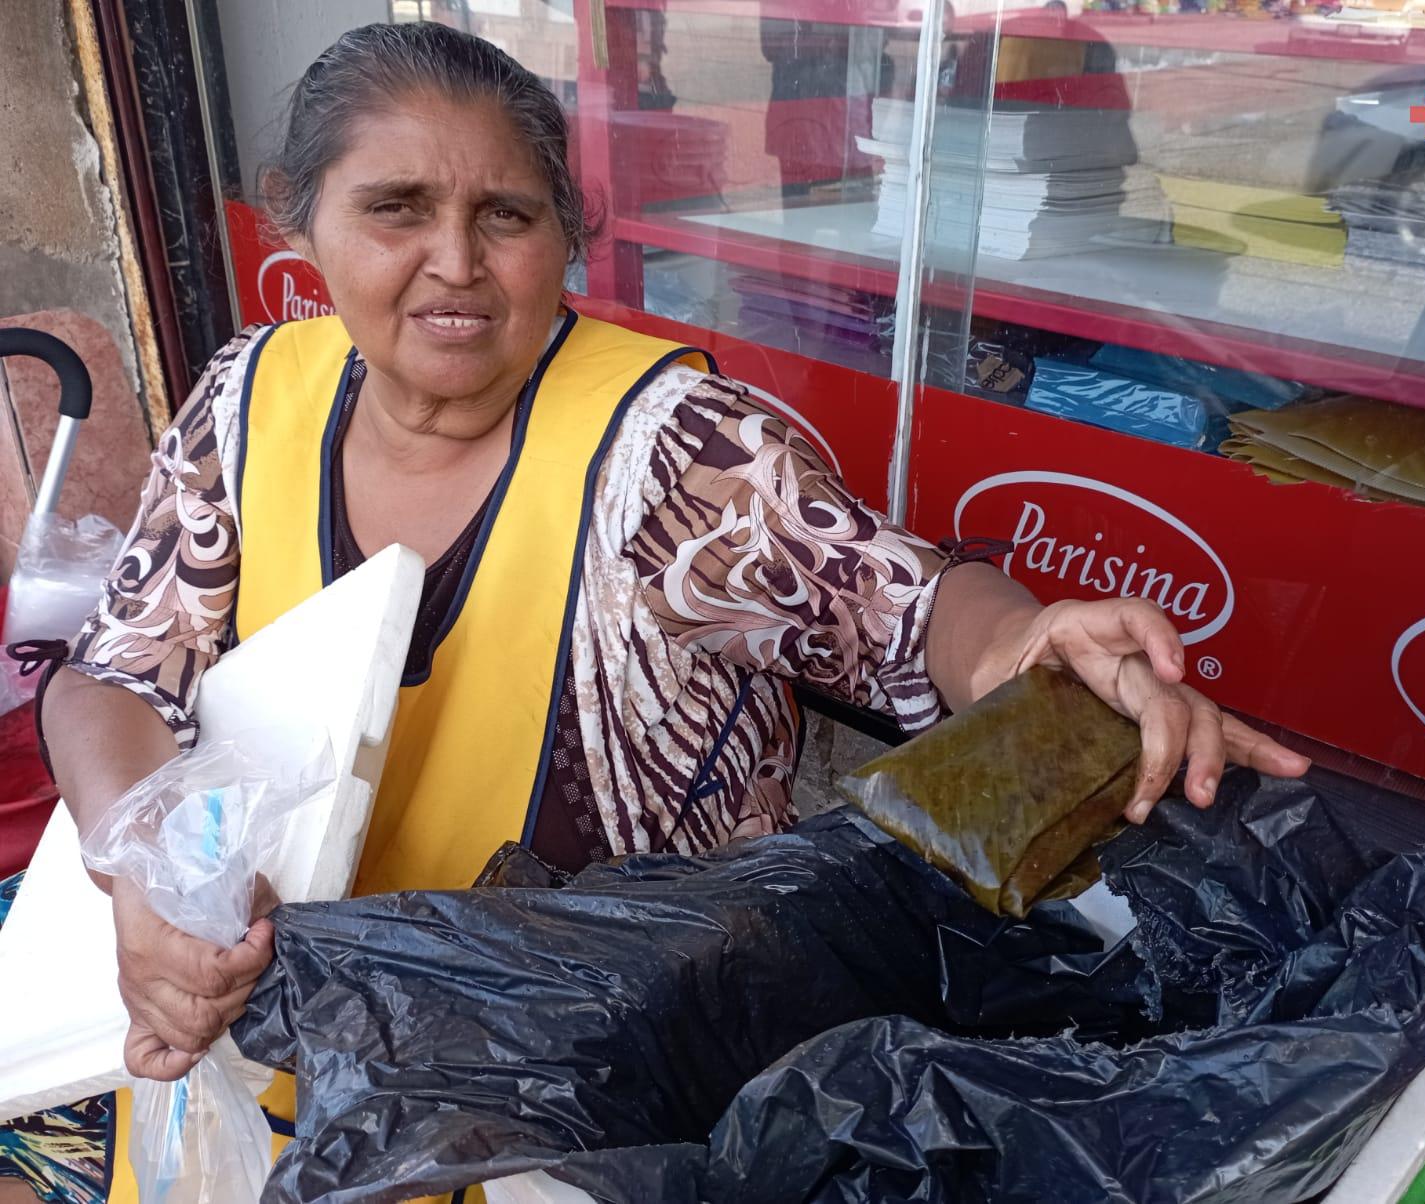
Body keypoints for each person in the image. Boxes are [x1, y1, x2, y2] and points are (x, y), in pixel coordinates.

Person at [0, 21, 1308, 1204]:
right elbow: (111, 677)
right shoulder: (247, 401)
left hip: (613, 1123)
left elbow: (901, 611)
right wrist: (151, 870)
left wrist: (1024, 645)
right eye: (395, 208)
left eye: (504, 216)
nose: (453, 262)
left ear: (568, 238)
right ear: (305, 224)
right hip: (313, 1088)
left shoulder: (682, 453)